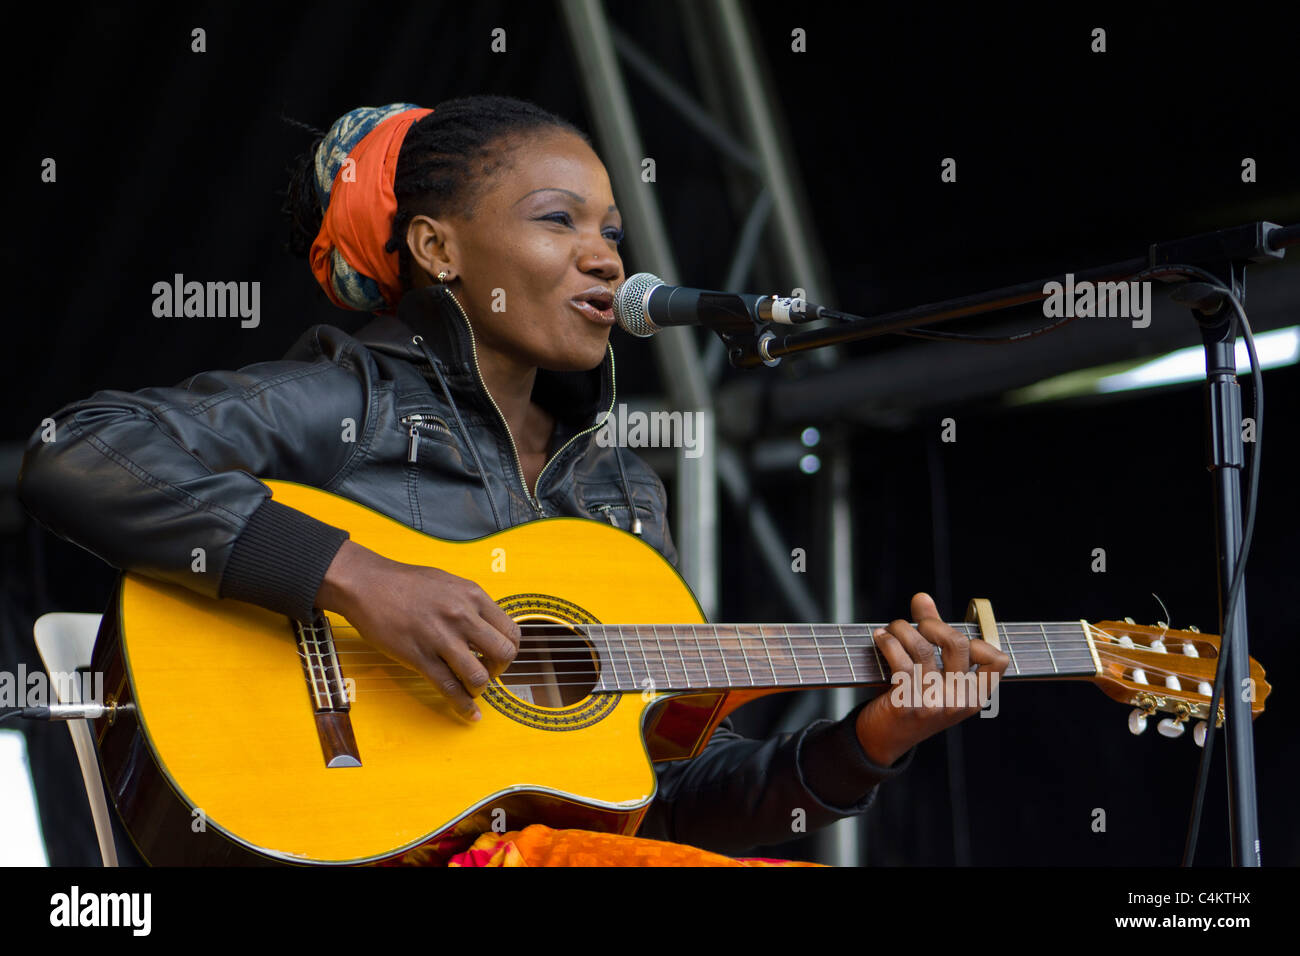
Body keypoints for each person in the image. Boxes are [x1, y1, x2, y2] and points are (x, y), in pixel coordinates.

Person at [17, 95, 1009, 865]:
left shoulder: (620, 495)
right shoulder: (343, 399)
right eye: (557, 220)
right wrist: (354, 573)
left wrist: (872, 737)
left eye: (613, 231)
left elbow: (658, 804)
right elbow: (79, 451)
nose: (603, 258)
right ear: (437, 247)